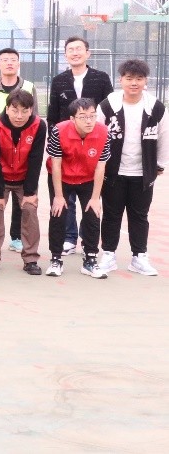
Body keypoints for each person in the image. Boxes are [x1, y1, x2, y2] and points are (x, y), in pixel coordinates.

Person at [96, 59, 167, 276]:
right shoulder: (107, 105)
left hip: (143, 173)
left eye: (139, 79)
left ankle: (139, 257)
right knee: (111, 215)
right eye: (129, 78)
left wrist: (159, 165)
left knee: (140, 216)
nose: (134, 83)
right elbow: (97, 135)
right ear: (121, 80)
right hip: (113, 171)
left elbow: (164, 137)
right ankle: (108, 254)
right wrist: (98, 165)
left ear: (146, 81)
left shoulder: (156, 107)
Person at [45, 35, 113, 256]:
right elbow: (53, 113)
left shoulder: (101, 78)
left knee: (89, 196)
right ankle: (69, 238)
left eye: (79, 49)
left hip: (92, 146)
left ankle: (88, 241)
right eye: (70, 50)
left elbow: (109, 109)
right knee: (66, 197)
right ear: (65, 55)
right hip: (66, 145)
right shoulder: (59, 80)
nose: (75, 53)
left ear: (88, 53)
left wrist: (100, 136)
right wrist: (55, 138)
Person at [0, 47, 38, 255]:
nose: (9, 63)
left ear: (19, 63)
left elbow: (33, 118)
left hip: (22, 149)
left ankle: (17, 237)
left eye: (13, 59)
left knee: (24, 204)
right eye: (5, 59)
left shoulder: (29, 87)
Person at [0, 89, 47, 275]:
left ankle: (31, 259)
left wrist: (30, 192)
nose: (19, 116)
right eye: (15, 110)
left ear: (31, 110)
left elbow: (36, 159)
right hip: (0, 178)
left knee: (30, 211)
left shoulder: (39, 125)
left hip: (25, 178)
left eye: (25, 111)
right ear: (7, 108)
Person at [46, 98, 109, 278]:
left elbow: (101, 167)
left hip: (88, 178)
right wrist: (59, 196)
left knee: (93, 214)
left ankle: (90, 260)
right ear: (72, 119)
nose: (89, 121)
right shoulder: (58, 131)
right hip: (62, 177)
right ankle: (56, 259)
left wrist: (95, 198)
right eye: (83, 117)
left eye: (92, 116)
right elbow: (56, 164)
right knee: (58, 214)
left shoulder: (104, 132)